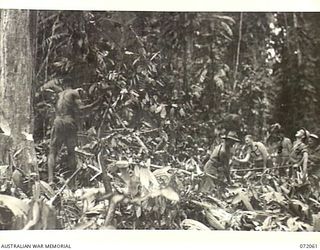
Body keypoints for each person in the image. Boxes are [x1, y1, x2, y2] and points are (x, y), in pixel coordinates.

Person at [47, 87, 101, 184]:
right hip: (69, 122)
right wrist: (96, 103)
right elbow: (82, 109)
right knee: (71, 152)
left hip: (57, 121)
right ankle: (72, 182)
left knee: (52, 151)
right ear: (80, 91)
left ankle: (50, 180)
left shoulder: (60, 94)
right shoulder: (75, 93)